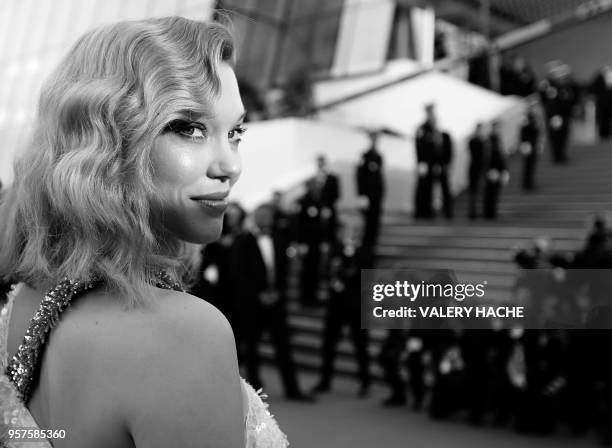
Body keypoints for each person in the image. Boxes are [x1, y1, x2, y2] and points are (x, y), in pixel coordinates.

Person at [0, 17, 289, 447]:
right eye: (189, 128)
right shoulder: (184, 335)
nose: (230, 165)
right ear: (106, 142)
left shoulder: (25, 300)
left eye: (235, 133)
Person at [231, 203, 314, 403]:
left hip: (276, 303)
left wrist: (278, 294)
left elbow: (285, 272)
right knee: (251, 348)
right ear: (255, 217)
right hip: (253, 304)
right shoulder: (243, 241)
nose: (266, 219)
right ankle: (255, 393)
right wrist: (257, 295)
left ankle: (293, 389)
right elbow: (238, 273)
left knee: (284, 347)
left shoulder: (280, 239)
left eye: (269, 216)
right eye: (262, 215)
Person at [311, 218, 372, 397]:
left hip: (356, 306)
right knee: (329, 344)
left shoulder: (366, 251)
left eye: (357, 229)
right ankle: (325, 380)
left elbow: (366, 276)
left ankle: (365, 381)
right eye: (350, 228)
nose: (353, 232)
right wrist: (333, 281)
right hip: (336, 306)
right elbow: (326, 271)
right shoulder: (335, 248)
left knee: (361, 345)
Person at [414, 103, 453, 219]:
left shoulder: (438, 131)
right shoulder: (422, 129)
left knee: (439, 188)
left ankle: (444, 212)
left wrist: (443, 163)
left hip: (437, 165)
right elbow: (419, 147)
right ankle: (422, 212)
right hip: (426, 164)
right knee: (424, 188)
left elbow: (439, 149)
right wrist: (421, 162)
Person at [356, 132, 385, 245]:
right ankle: (366, 248)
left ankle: (372, 246)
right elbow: (360, 176)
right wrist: (362, 194)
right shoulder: (365, 156)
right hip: (367, 195)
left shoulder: (379, 156)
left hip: (377, 195)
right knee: (367, 222)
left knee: (375, 222)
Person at [483, 121, 510, 220]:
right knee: (490, 192)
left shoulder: (498, 139)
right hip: (492, 170)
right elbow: (486, 157)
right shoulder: (489, 140)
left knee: (495, 193)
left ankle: (493, 212)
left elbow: (501, 157)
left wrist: (504, 169)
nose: (498, 130)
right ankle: (488, 213)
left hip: (498, 170)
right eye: (497, 127)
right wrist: (489, 170)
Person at [467, 123, 487, 219]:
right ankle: (472, 212)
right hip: (475, 170)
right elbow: (477, 156)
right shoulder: (474, 141)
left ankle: (479, 211)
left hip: (480, 169)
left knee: (480, 191)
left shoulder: (482, 141)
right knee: (474, 192)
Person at [519, 106, 542, 191]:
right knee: (528, 165)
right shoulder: (526, 118)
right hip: (528, 145)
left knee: (532, 165)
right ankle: (526, 183)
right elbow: (523, 131)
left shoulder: (534, 118)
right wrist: (524, 143)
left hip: (533, 144)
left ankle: (530, 182)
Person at [591, 64, 612, 140]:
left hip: (610, 102)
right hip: (602, 103)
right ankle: (603, 135)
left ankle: (608, 134)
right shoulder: (599, 78)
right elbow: (593, 88)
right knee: (603, 119)